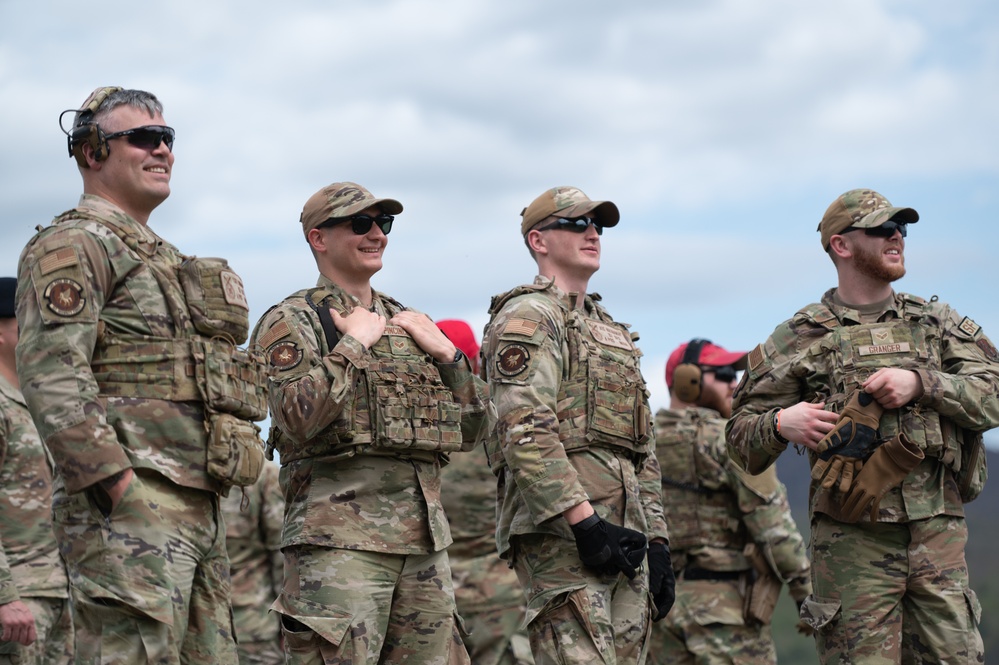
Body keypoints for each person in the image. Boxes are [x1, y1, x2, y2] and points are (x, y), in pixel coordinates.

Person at [15, 87, 268, 663]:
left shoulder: (162, 257)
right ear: (92, 151)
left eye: (168, 138)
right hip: (132, 505)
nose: (163, 150)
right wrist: (117, 488)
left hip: (196, 504)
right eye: (144, 138)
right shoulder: (74, 242)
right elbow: (53, 372)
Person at [726, 188, 999, 663]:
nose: (897, 237)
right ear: (842, 245)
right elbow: (739, 437)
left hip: (938, 538)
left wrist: (923, 383)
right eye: (881, 229)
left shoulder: (937, 323)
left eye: (902, 229)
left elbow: (994, 391)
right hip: (852, 547)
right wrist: (781, 423)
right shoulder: (801, 335)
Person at [250, 181, 490, 664]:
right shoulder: (293, 321)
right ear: (319, 238)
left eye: (384, 223)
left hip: (423, 546)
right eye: (360, 224)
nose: (377, 233)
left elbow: (472, 431)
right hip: (339, 544)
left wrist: (448, 356)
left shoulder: (408, 321)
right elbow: (295, 419)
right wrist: (352, 347)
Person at [480, 186, 673, 664]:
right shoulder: (529, 315)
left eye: (598, 226)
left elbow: (640, 446)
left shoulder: (608, 329)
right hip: (565, 539)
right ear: (539, 240)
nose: (592, 233)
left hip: (626, 537)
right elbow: (525, 430)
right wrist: (584, 522)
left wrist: (659, 541)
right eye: (576, 223)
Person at [648, 339, 811, 664]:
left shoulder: (643, 443)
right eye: (722, 373)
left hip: (657, 616)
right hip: (725, 616)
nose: (733, 384)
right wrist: (806, 593)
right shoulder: (730, 441)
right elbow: (773, 526)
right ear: (687, 380)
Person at [436, 319, 534, 665]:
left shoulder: (412, 433)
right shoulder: (503, 421)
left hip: (435, 595)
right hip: (503, 598)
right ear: (475, 362)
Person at [0, 277, 73, 664]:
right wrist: (5, 596)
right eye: (25, 321)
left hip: (59, 593)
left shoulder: (37, 403)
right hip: (17, 600)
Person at [221, 460, 284, 665]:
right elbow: (282, 555)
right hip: (255, 629)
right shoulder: (261, 473)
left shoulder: (172, 467)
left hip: (192, 628)